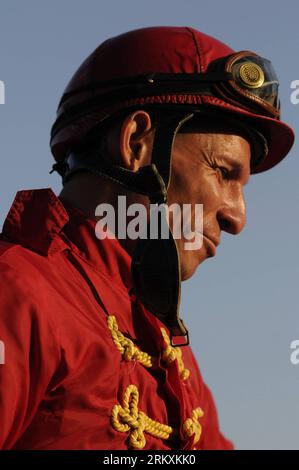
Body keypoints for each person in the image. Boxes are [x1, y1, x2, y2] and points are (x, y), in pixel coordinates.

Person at [0, 26, 294, 450]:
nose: (237, 217)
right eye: (224, 172)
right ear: (137, 143)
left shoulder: (168, 343)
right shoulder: (17, 294)